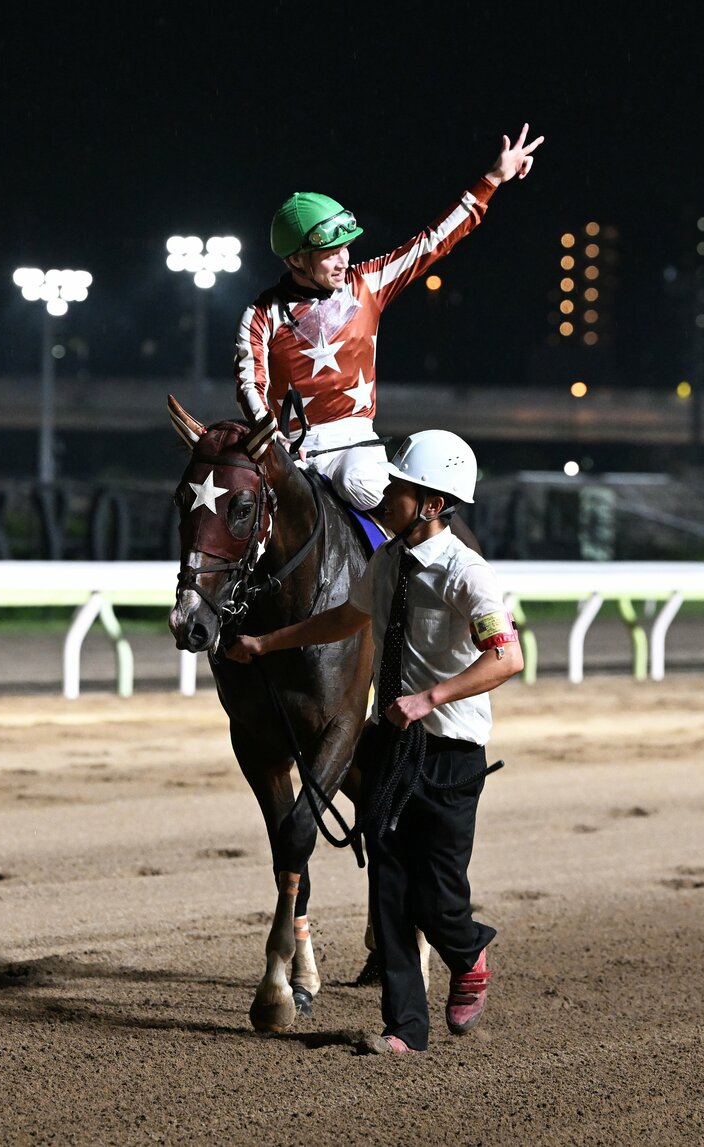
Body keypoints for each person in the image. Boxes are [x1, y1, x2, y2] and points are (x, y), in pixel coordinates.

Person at [226, 429, 524, 1053]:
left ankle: (468, 952)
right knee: (389, 890)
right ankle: (404, 1029)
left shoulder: (468, 573)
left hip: (449, 754)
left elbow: (507, 658)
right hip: (391, 746)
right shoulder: (386, 560)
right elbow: (345, 618)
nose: (385, 496)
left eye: (399, 489)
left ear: (433, 503)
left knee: (438, 898)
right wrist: (266, 643)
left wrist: (430, 698)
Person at [234, 124, 544, 512]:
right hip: (289, 451)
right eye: (330, 253)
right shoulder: (260, 314)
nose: (343, 260)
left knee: (360, 484)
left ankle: (410, 550)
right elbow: (250, 384)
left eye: (345, 247)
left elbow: (432, 242)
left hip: (356, 449)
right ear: (295, 260)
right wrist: (271, 436)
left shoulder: (367, 283)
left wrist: (492, 179)